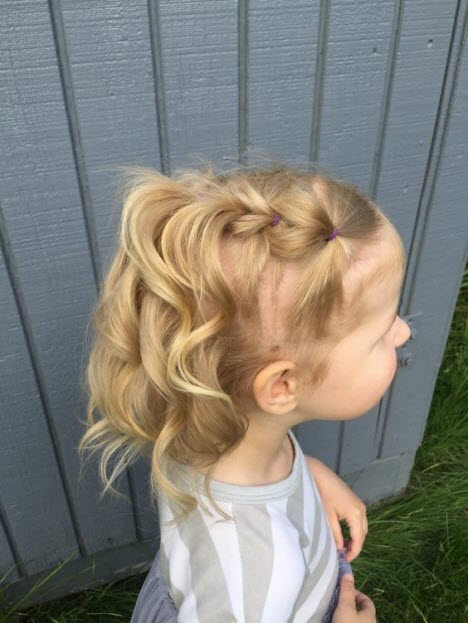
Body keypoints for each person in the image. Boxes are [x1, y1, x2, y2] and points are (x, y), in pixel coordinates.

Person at [79, 160, 410, 622]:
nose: (402, 333)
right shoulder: (252, 587)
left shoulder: (207, 425)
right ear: (282, 387)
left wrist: (307, 477)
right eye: (380, 334)